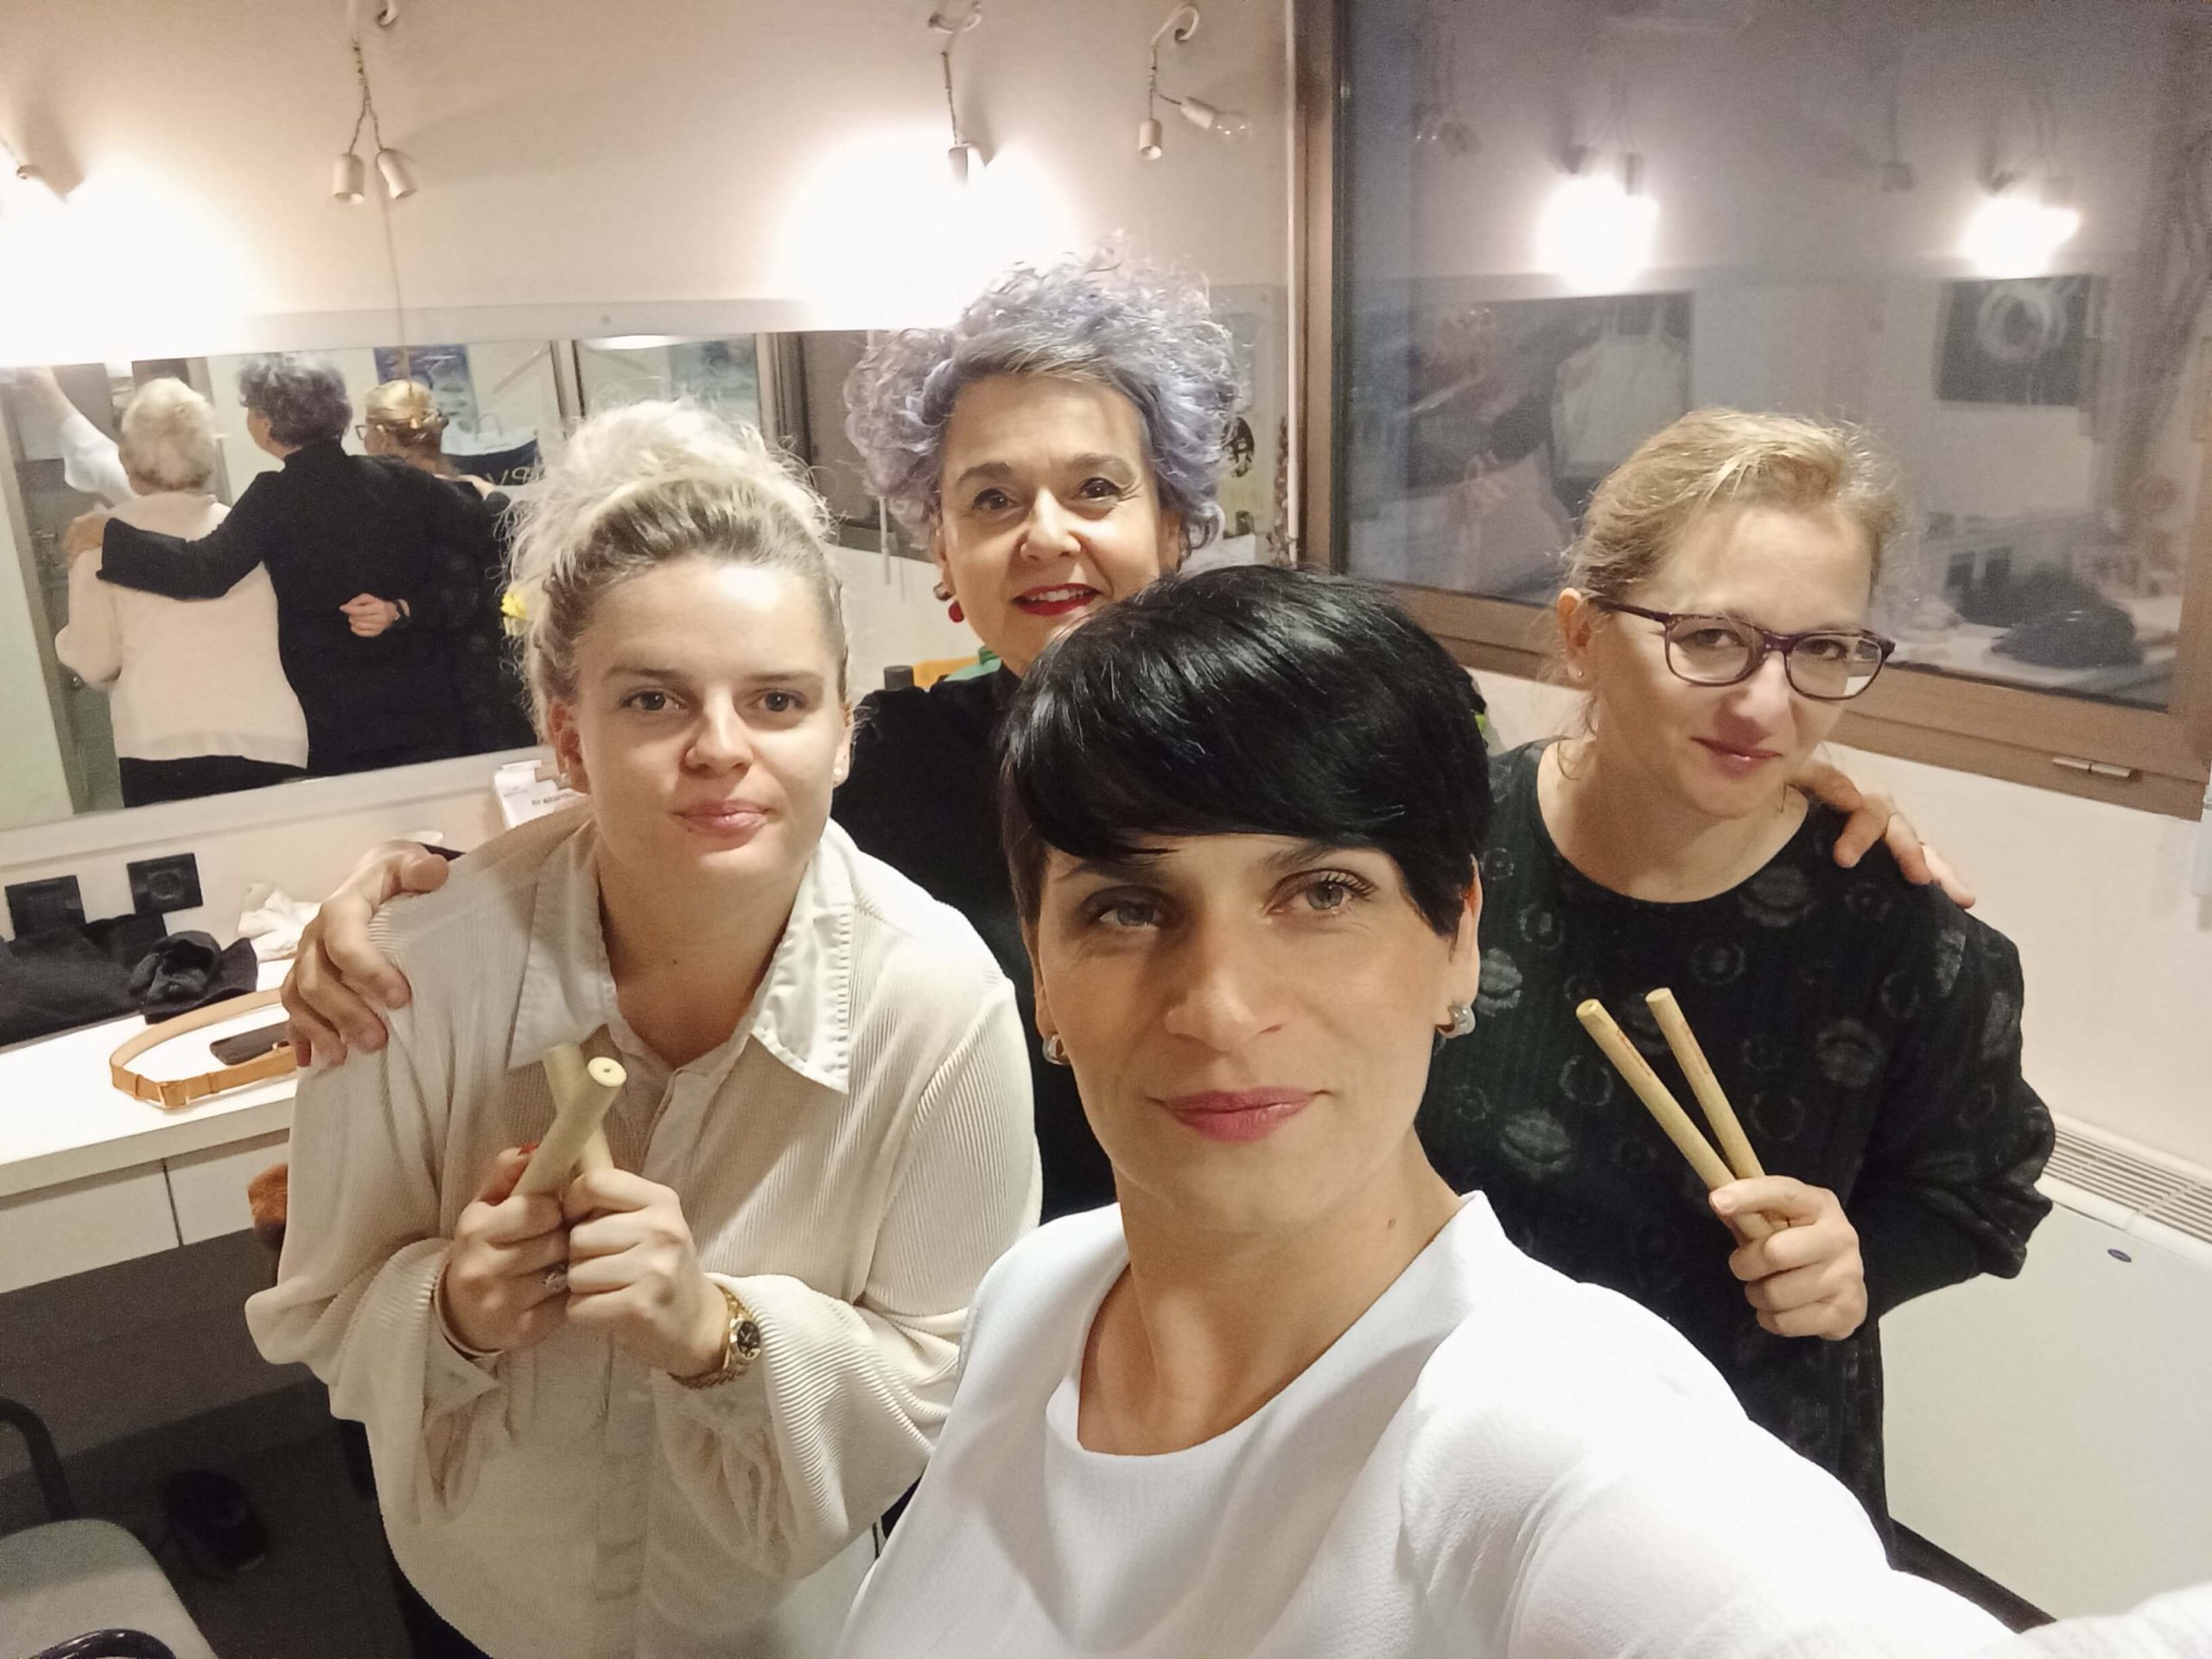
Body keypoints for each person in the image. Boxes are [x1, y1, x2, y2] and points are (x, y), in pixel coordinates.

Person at [276, 257, 1961, 1226]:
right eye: (990, 498)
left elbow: (1527, 834)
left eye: (1095, 487)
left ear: (1175, 513)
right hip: (985, 1311)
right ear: (938, 550)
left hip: (1297, 1293)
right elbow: (667, 832)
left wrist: (1765, 785)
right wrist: (424, 886)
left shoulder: (1325, 725)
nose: (1048, 536)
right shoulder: (883, 766)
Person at [831, 564, 2009, 1657]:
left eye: (1322, 893)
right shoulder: (1035, 1298)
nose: (1222, 1009)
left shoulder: (1541, 1431)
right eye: (1127, 909)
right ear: (1041, 970)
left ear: (1458, 939)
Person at [244, 403, 1038, 1658]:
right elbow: (320, 1311)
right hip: (482, 1599)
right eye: (655, 699)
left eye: (777, 700)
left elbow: (951, 1367)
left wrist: (720, 1338)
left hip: (773, 1618)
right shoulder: (411, 977)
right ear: (569, 735)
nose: (721, 749)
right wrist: (448, 1309)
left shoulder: (938, 1007)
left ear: (842, 730)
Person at [1417, 410, 2055, 1535]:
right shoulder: (1438, 863)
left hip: (1746, 1494)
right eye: (1711, 637)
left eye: (1824, 650)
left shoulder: (1901, 936)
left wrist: (1859, 1266)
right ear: (1581, 634)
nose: (1767, 704)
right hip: (1453, 1463)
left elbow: (1982, 1189)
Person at [64, 356, 486, 774]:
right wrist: (403, 609)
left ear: (266, 424)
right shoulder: (396, 478)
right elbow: (482, 529)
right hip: (426, 702)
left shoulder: (274, 497)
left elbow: (204, 570)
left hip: (333, 718)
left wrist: (113, 537)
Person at [52, 378, 308, 805]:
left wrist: (66, 642)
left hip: (161, 742)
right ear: (208, 456)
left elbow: (96, 662)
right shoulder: (246, 533)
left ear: (127, 460)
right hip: (271, 737)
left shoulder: (101, 542)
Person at [363, 378, 538, 753]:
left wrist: (399, 611)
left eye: (365, 431)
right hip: (497, 669)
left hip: (427, 680)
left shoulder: (387, 507)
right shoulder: (480, 497)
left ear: (382, 437)